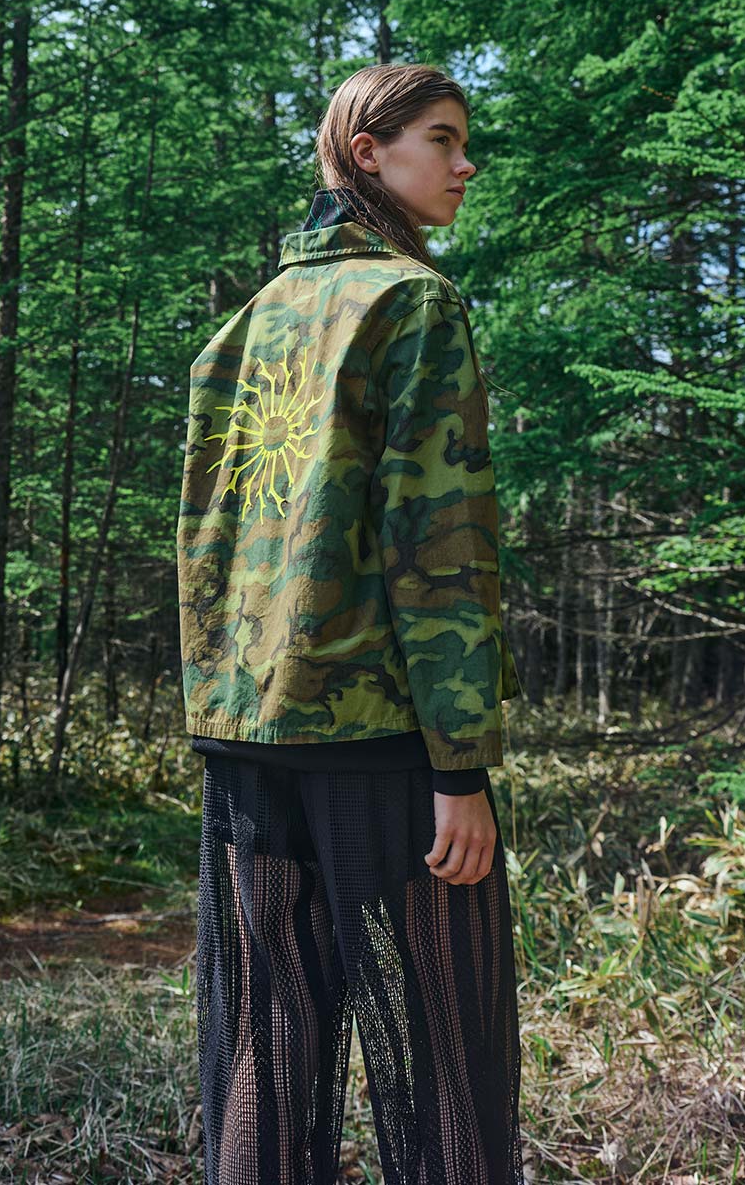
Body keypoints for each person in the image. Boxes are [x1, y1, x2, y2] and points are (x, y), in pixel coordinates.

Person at [177, 62, 526, 1185]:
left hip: (247, 736)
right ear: (367, 153)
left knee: (266, 1040)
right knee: (449, 1046)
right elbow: (439, 545)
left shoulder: (242, 327)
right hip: (380, 736)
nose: (465, 163)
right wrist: (460, 765)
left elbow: (208, 542)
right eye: (443, 138)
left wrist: (220, 706)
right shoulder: (410, 302)